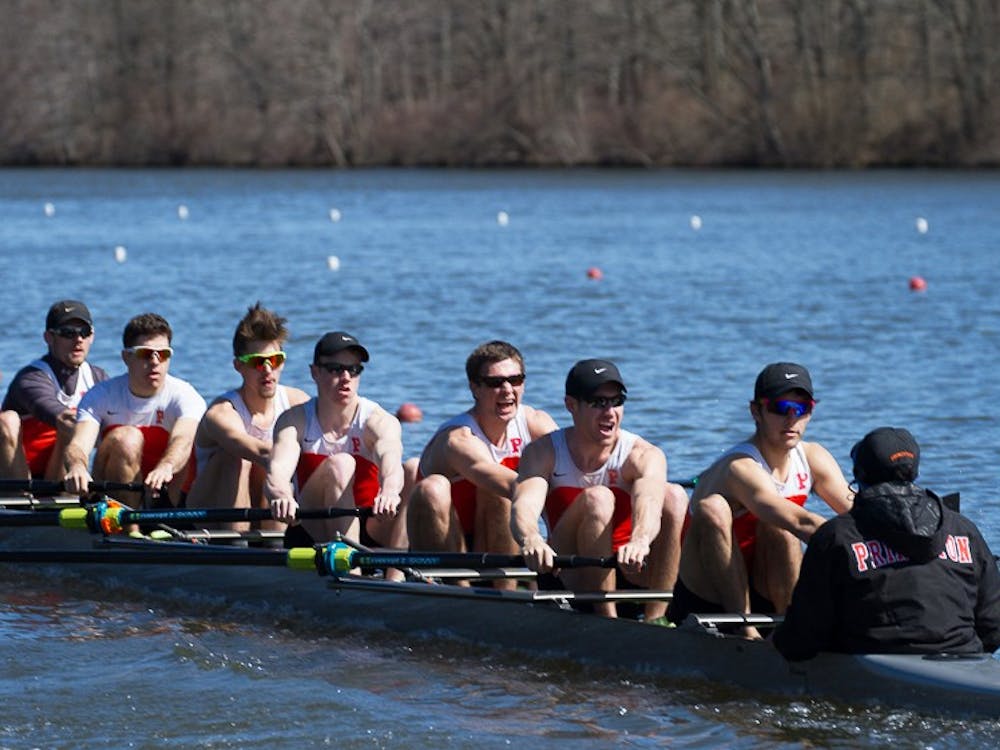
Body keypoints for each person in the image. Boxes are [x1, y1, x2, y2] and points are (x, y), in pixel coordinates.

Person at [774, 427, 1000, 659]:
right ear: (914, 473)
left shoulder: (837, 536)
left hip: (874, 663)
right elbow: (993, 627)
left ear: (859, 474)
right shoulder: (963, 529)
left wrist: (776, 642)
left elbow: (802, 640)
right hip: (963, 655)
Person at [666, 362, 853, 636]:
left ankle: (790, 629)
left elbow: (860, 512)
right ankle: (749, 632)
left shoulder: (813, 456)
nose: (792, 419)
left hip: (764, 584)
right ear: (756, 411)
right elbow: (800, 520)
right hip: (706, 594)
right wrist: (853, 552)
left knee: (779, 527)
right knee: (720, 508)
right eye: (780, 408)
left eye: (802, 409)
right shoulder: (739, 466)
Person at [510, 359, 689, 620]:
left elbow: (649, 500)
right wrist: (531, 539)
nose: (610, 412)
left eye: (617, 401)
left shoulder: (643, 454)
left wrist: (640, 540)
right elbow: (524, 504)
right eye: (598, 403)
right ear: (571, 406)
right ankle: (607, 618)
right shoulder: (543, 452)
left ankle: (657, 617)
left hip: (631, 567)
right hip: (567, 571)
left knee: (674, 496)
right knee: (598, 497)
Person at [406, 341, 558, 578]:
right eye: (495, 383)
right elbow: (510, 485)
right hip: (445, 543)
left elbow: (570, 474)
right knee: (436, 488)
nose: (507, 390)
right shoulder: (458, 439)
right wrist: (532, 536)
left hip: (499, 540)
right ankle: (457, 591)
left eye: (515, 380)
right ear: (474, 388)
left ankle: (508, 587)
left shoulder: (536, 423)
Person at [265, 331, 410, 564]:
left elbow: (391, 460)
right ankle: (352, 574)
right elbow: (277, 473)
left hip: (371, 524)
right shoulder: (295, 420)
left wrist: (390, 491)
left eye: (354, 370)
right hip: (312, 526)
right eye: (335, 369)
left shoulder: (379, 421)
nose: (346, 377)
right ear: (315, 372)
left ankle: (396, 578)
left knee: (413, 468)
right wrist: (282, 496)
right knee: (341, 463)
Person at [184, 303, 309, 530]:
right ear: (238, 366)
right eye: (257, 362)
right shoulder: (221, 413)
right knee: (244, 457)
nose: (268, 370)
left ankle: (276, 544)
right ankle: (236, 544)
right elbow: (261, 452)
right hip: (207, 510)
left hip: (266, 501)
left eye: (276, 360)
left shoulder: (297, 402)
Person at [63, 313, 206, 506]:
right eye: (145, 354)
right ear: (126, 357)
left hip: (167, 489)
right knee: (127, 438)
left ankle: (166, 514)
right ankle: (131, 528)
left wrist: (166, 466)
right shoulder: (100, 396)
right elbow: (78, 445)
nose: (155, 362)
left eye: (163, 354)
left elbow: (184, 439)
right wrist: (77, 466)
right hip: (115, 495)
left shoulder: (186, 395)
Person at [0, 300, 109, 481]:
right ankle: (22, 496)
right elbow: (63, 419)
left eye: (84, 332)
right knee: (9, 420)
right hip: (19, 478)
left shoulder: (98, 377)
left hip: (62, 473)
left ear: (92, 336)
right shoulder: (30, 378)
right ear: (49, 337)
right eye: (68, 333)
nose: (78, 340)